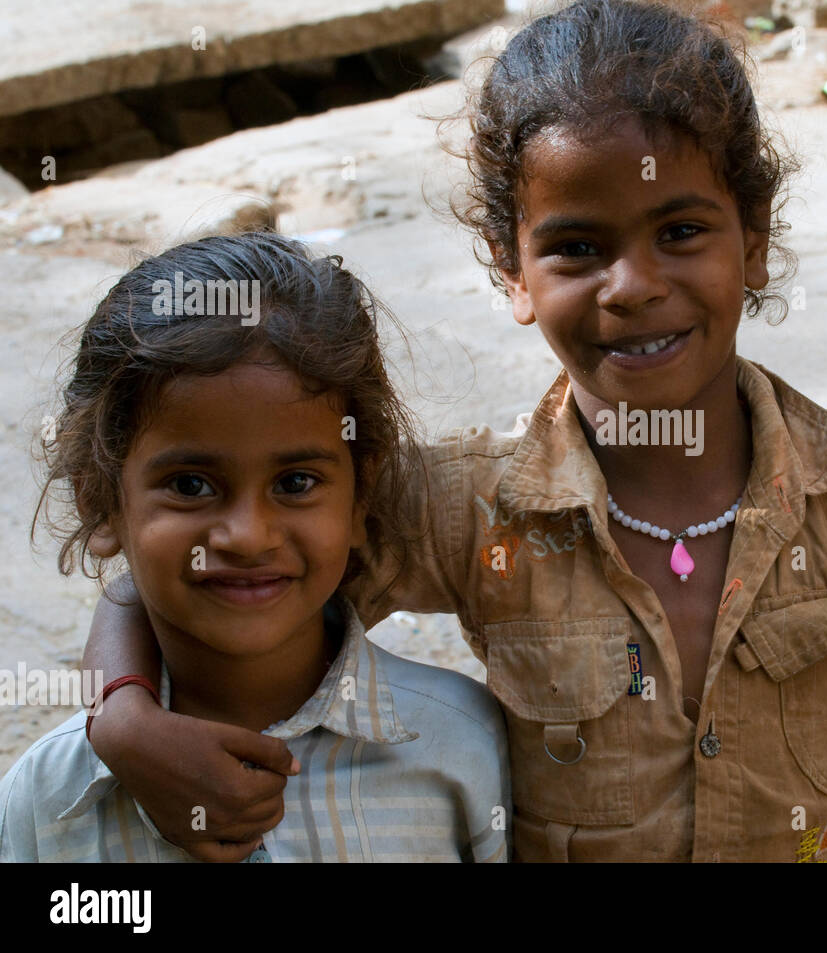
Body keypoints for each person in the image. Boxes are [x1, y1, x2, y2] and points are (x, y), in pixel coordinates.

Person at [79, 2, 827, 862]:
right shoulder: (466, 509)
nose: (631, 284)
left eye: (680, 230)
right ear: (510, 271)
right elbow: (232, 549)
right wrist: (122, 716)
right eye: (574, 246)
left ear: (754, 245)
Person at [1, 233, 509, 862]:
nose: (247, 535)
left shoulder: (459, 749)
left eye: (295, 483)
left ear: (360, 498)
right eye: (190, 485)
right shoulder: (50, 800)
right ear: (100, 501)